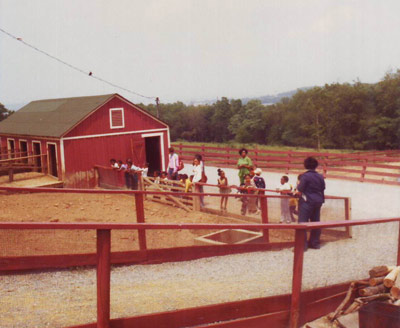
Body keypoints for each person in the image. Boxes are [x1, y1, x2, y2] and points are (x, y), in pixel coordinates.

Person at [296, 157, 326, 250]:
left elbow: (300, 189)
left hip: (307, 201)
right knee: (316, 222)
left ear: (305, 165)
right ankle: (315, 243)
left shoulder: (305, 176)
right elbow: (323, 187)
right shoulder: (320, 176)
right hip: (318, 201)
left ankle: (302, 245)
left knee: (302, 223)